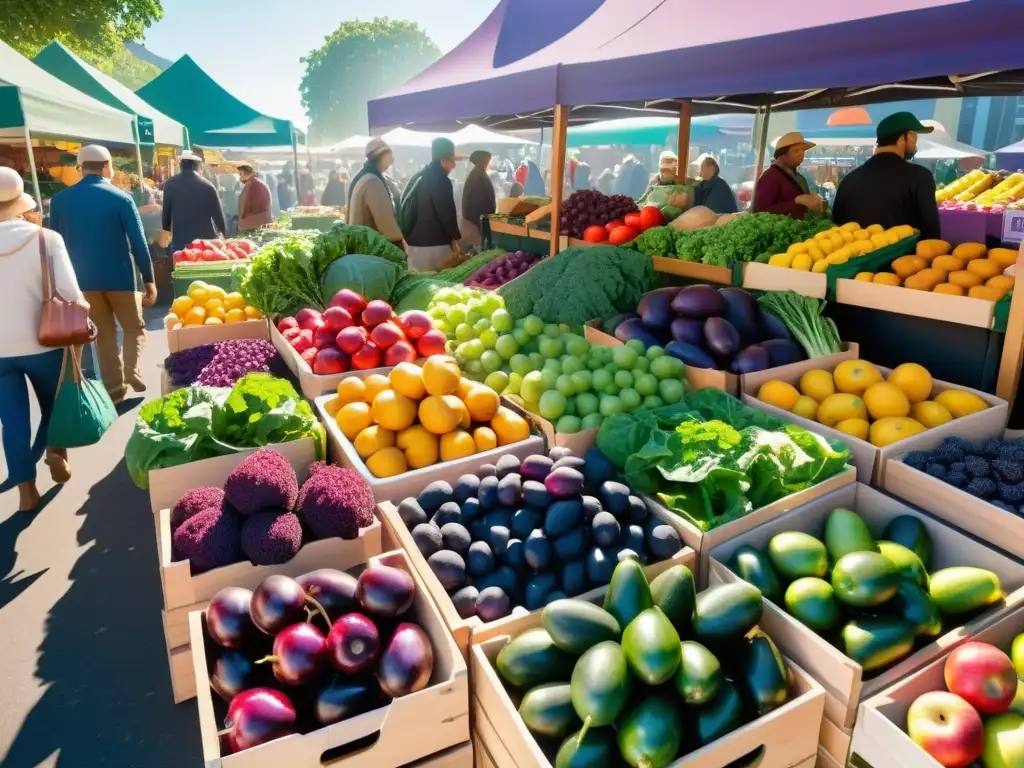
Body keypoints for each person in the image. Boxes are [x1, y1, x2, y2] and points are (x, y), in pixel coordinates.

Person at [0, 168, 83, 510]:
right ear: (21, 203)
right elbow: (71, 293)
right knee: (54, 406)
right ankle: (54, 451)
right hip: (45, 340)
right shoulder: (45, 238)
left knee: (12, 419)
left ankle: (25, 491)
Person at [49, 145, 155, 404]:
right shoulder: (121, 198)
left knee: (104, 336)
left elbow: (55, 245)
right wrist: (149, 278)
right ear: (108, 165)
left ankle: (115, 392)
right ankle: (132, 371)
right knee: (134, 328)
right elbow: (138, 242)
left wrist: (59, 283)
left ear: (79, 168)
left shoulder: (60, 201)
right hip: (121, 278)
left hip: (83, 282)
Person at [831, 112, 942, 240]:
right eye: (914, 136)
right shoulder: (920, 177)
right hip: (906, 259)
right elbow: (932, 232)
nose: (916, 144)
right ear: (902, 139)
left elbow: (837, 227)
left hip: (858, 257)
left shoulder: (849, 180)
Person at [402, 137, 462, 271]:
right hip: (436, 247)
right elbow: (447, 214)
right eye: (452, 161)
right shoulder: (441, 180)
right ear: (443, 160)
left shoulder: (417, 177)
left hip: (414, 246)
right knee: (439, 287)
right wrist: (455, 238)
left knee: (419, 286)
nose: (453, 165)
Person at [162, 150, 227, 253]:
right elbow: (218, 215)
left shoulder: (169, 184)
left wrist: (167, 232)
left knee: (182, 267)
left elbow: (166, 215)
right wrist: (224, 234)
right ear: (198, 166)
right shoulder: (207, 186)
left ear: (181, 165)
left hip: (180, 239)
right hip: (205, 241)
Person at [753, 132, 824, 219]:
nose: (801, 154)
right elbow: (760, 212)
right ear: (782, 155)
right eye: (796, 151)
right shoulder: (770, 177)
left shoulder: (799, 178)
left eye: (803, 151)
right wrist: (797, 201)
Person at [348, 138, 404, 246]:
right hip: (369, 249)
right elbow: (387, 227)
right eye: (389, 154)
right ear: (382, 156)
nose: (392, 159)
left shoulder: (363, 176)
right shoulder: (372, 181)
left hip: (361, 246)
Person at [460, 151, 497, 248]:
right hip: (476, 223)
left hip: (478, 221)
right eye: (489, 160)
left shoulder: (478, 173)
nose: (490, 163)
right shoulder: (478, 176)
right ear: (483, 161)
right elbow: (479, 203)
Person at [236, 161, 272, 232]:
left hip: (255, 225)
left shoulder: (255, 184)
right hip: (254, 223)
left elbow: (256, 205)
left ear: (243, 173)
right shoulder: (253, 183)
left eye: (240, 174)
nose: (240, 177)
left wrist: (244, 216)